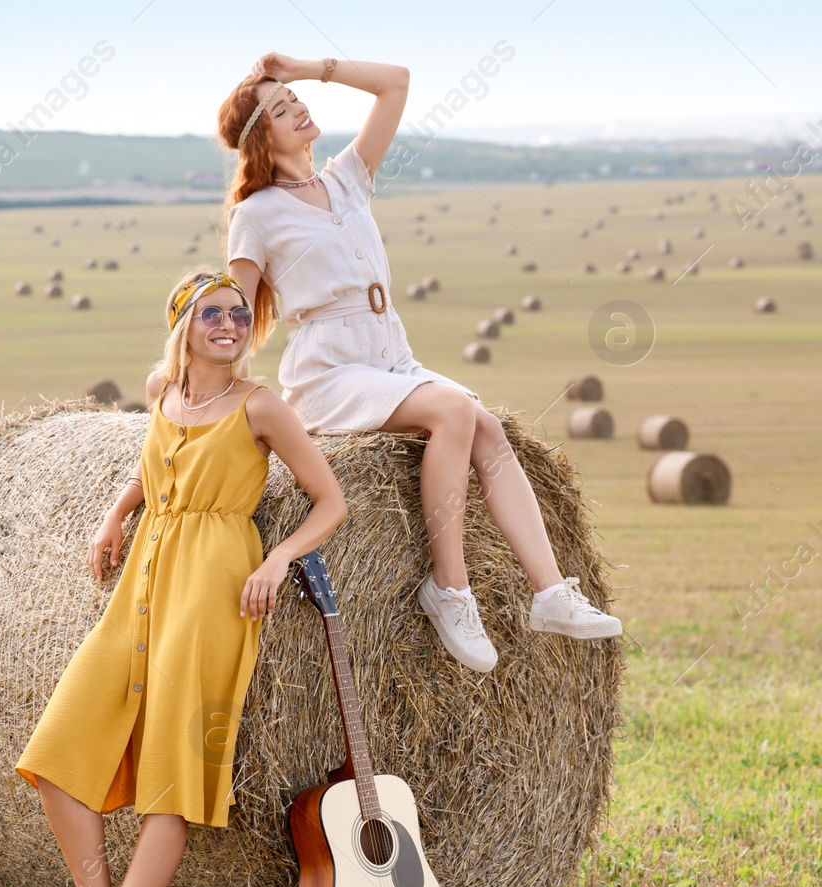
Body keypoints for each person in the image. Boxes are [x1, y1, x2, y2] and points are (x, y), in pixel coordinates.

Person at [217, 52, 621, 673]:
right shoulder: (256, 214)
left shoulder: (346, 177)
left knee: (489, 430)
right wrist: (199, 378)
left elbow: (395, 83)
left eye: (294, 98)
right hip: (330, 366)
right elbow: (236, 308)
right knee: (455, 411)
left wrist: (306, 67)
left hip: (389, 347)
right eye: (279, 107)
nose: (297, 106)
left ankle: (549, 592)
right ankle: (450, 589)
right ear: (260, 139)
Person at [12, 268, 347, 887]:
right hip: (143, 581)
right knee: (57, 758)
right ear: (183, 328)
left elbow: (331, 500)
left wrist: (280, 557)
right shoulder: (163, 391)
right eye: (211, 314)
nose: (229, 324)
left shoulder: (263, 407)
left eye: (237, 314)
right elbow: (156, 459)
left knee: (172, 782)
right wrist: (114, 514)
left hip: (213, 590)